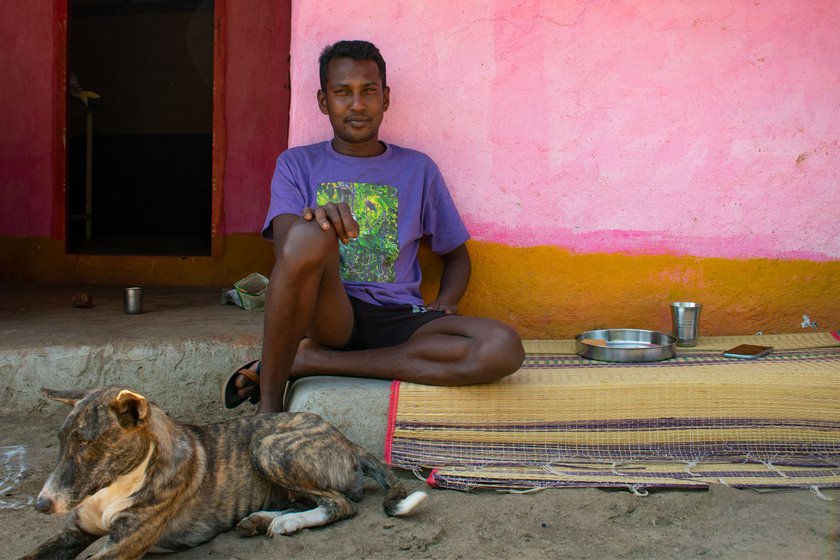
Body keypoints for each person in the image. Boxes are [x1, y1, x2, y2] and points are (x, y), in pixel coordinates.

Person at [223, 40, 524, 413]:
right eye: (342, 92)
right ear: (323, 101)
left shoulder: (418, 169)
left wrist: (446, 301)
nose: (357, 104)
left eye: (369, 91)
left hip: (400, 317)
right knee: (309, 233)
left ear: (385, 98)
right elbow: (287, 249)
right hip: (330, 313)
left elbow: (457, 256)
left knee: (502, 347)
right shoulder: (297, 164)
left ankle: (312, 362)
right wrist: (320, 222)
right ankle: (269, 407)